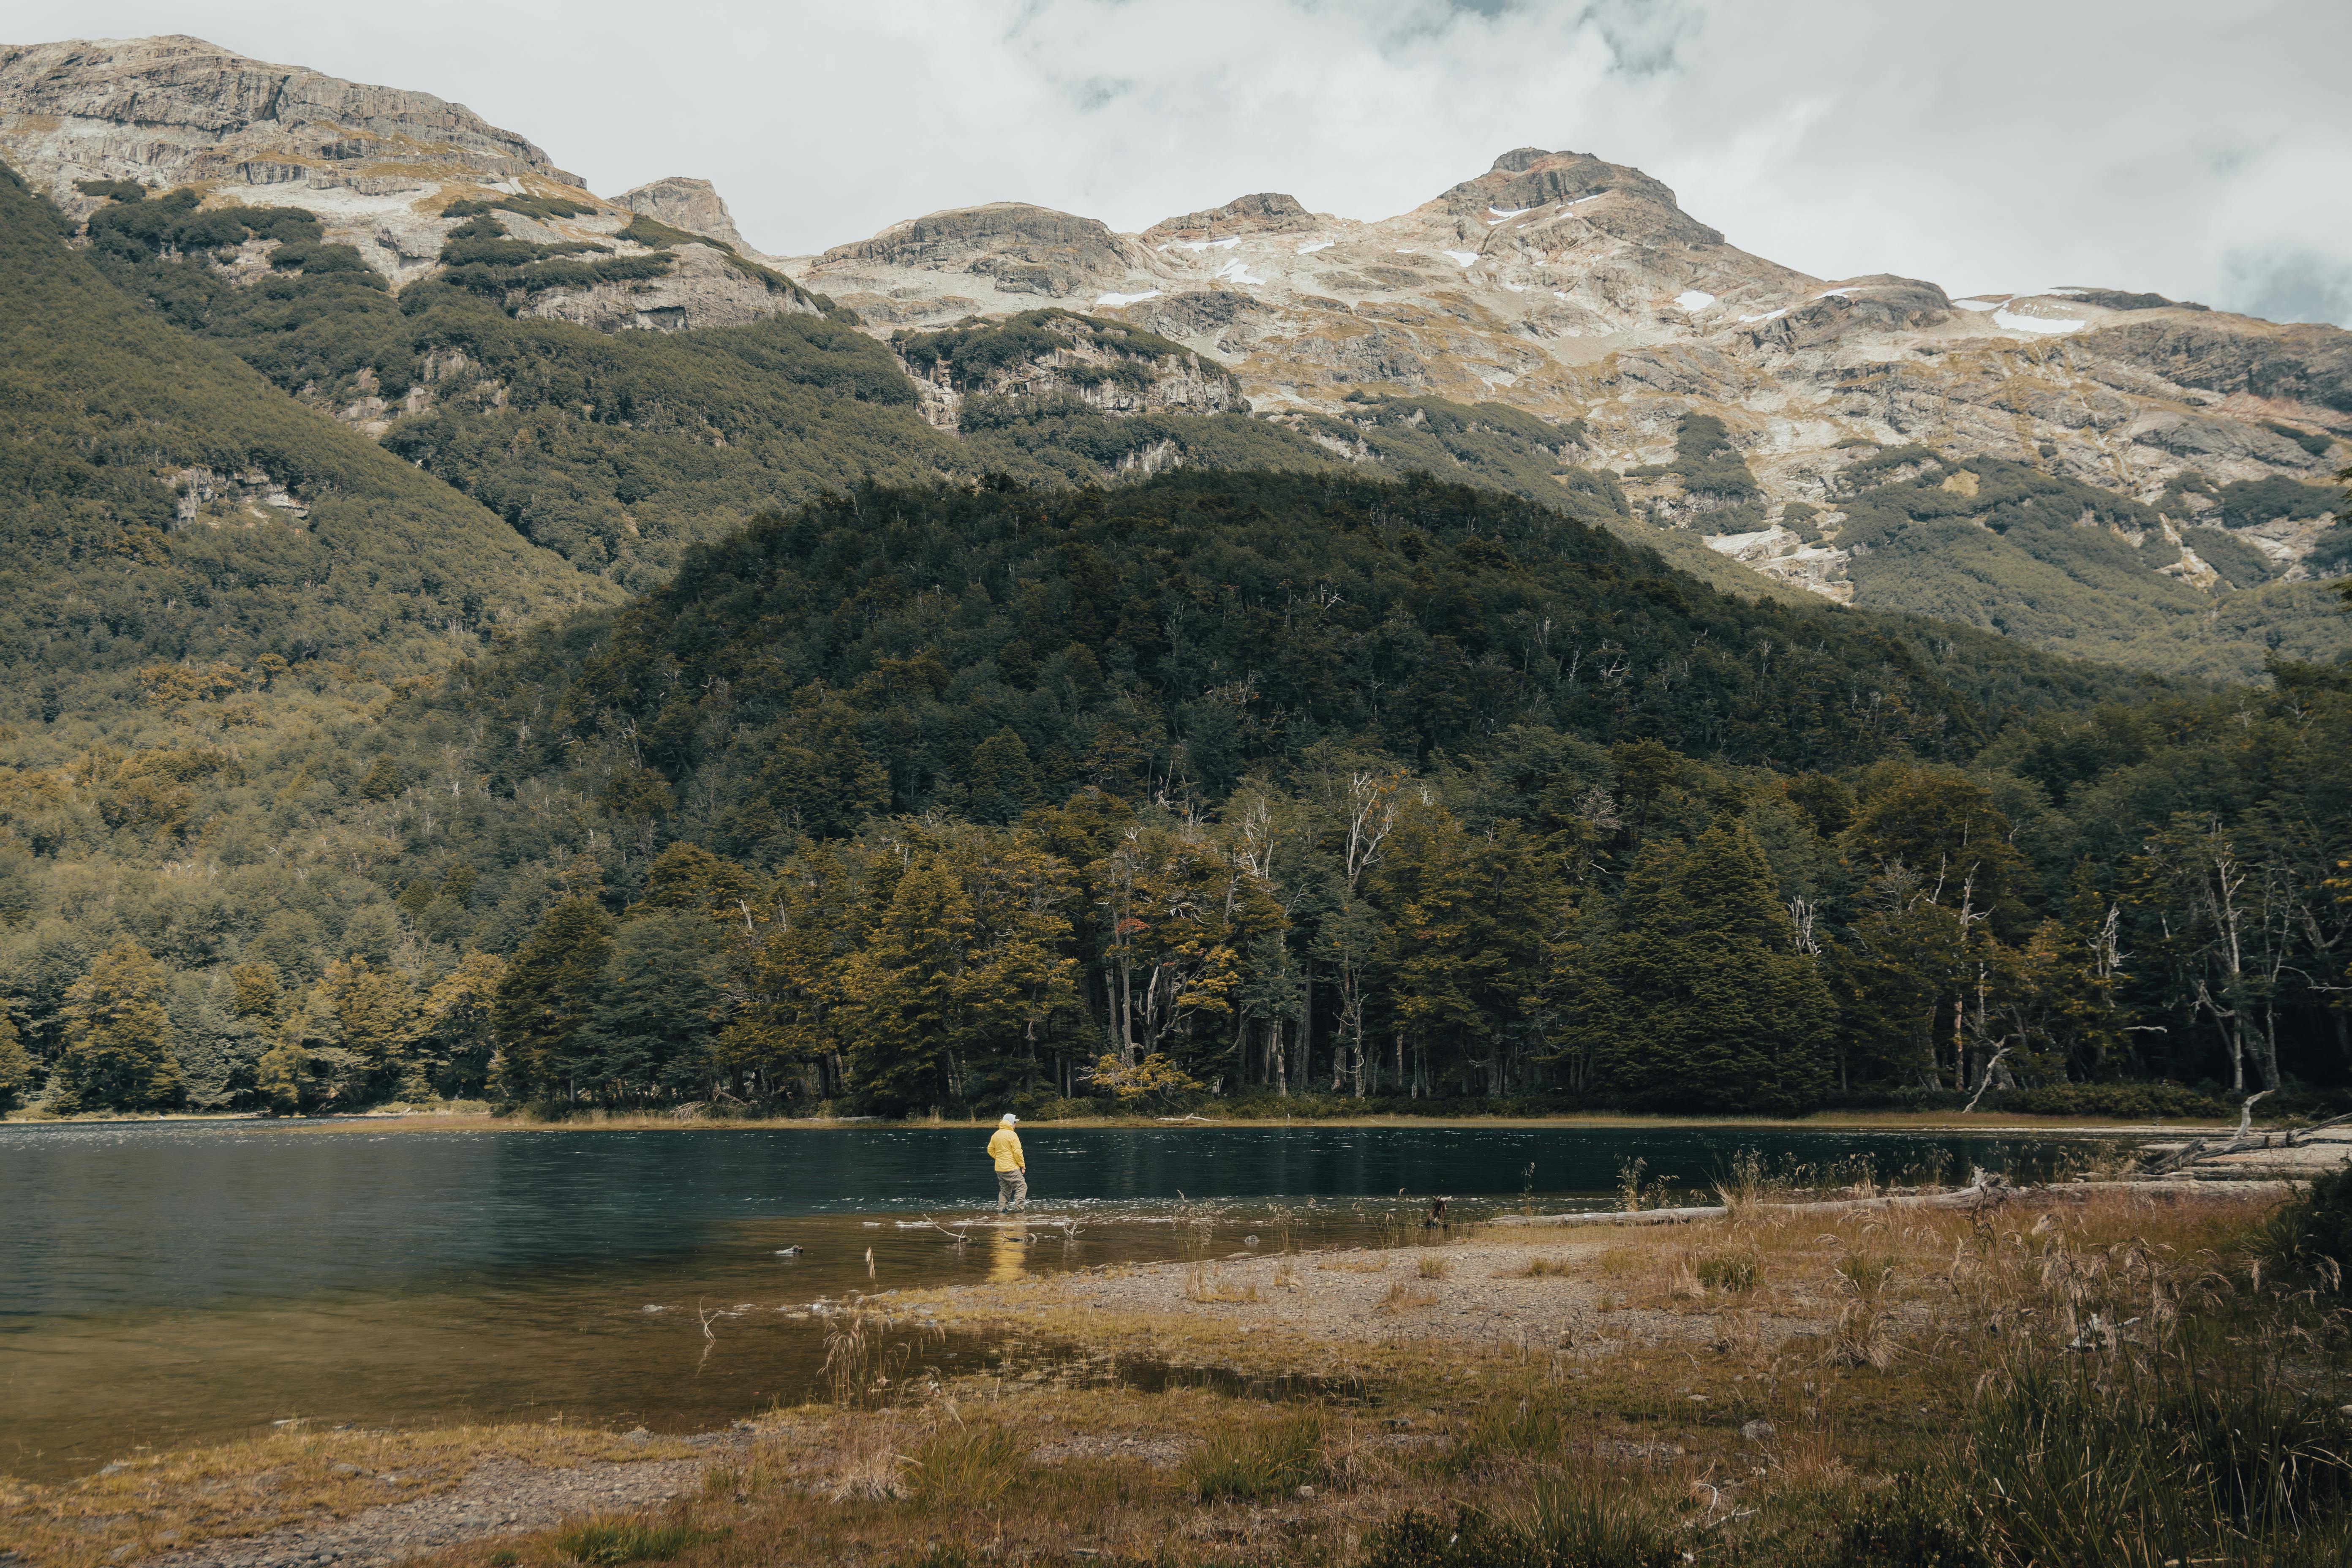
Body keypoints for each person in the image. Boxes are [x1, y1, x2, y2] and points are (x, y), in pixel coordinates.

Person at [986, 1112, 1027, 1213]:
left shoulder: (996, 1134)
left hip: (999, 1168)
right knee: (1022, 1187)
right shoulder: (1012, 1135)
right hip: (1011, 1168)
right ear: (1011, 1122)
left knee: (1005, 1190)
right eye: (1015, 1122)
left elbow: (990, 1150)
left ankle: (1002, 1212)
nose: (1016, 1125)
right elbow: (1018, 1152)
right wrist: (1022, 1166)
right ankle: (1020, 1211)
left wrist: (999, 1158)